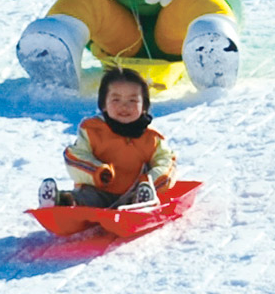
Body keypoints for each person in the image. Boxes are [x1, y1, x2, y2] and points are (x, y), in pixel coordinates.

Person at [38, 67, 176, 208]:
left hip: (134, 191)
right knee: (86, 198)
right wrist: (97, 171)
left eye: (132, 101)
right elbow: (74, 157)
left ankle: (141, 202)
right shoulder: (92, 130)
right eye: (116, 100)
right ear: (103, 104)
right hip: (98, 190)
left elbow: (165, 162)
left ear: (144, 106)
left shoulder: (151, 137)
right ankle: (62, 202)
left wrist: (149, 182)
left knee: (143, 196)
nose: (124, 106)